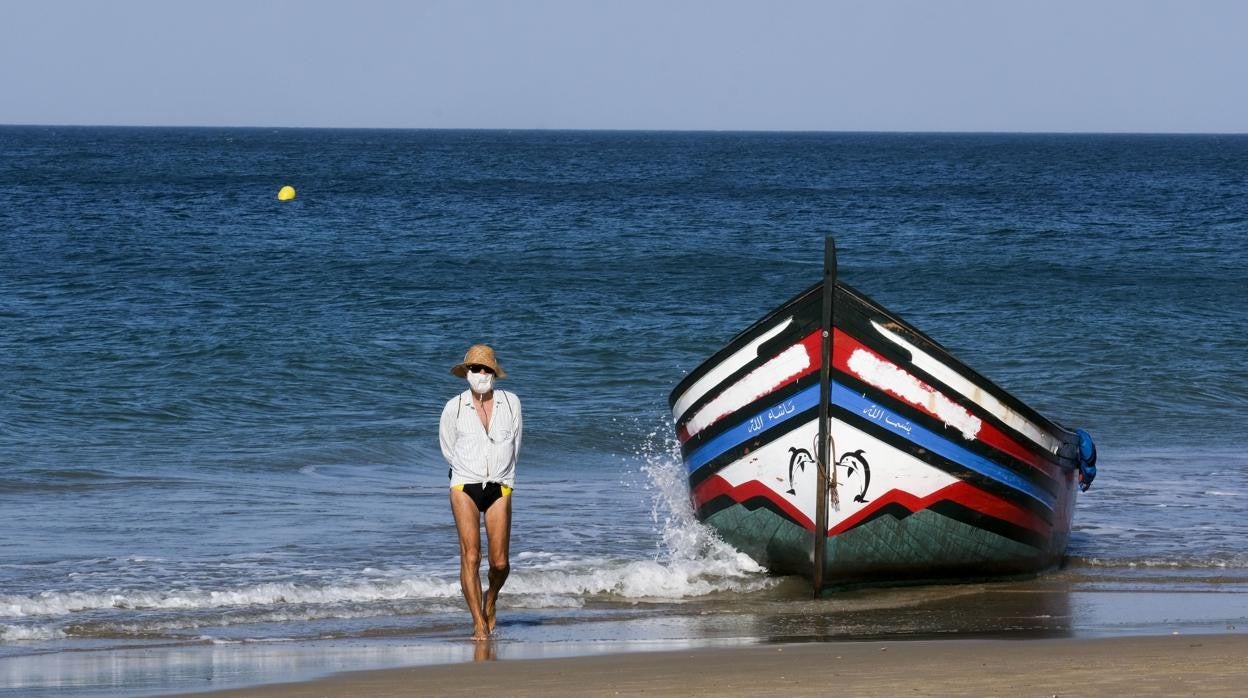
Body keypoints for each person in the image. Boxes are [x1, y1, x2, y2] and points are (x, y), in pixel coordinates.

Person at [439, 344, 521, 640]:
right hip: (464, 484)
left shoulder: (510, 403)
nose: (481, 374)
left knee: (500, 563)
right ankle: (478, 623)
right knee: (470, 556)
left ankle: (492, 598)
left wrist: (504, 479)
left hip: (500, 484)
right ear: (466, 373)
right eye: (475, 369)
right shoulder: (454, 407)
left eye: (486, 369)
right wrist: (468, 471)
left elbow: (516, 447)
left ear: (494, 373)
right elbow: (448, 449)